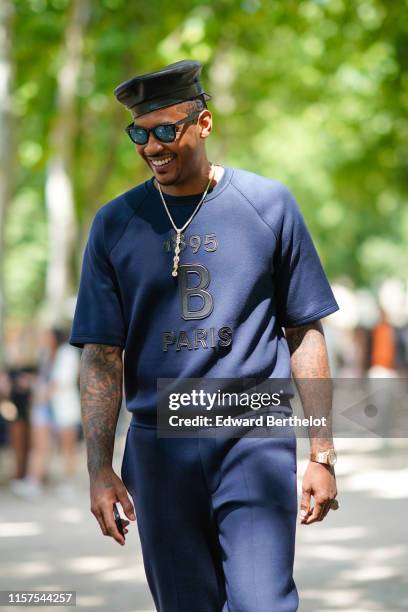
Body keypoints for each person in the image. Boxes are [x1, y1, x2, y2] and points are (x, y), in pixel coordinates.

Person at [70, 60, 340, 611]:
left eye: (167, 130)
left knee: (264, 603)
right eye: (139, 134)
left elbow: (303, 332)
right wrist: (99, 469)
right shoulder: (114, 224)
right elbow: (102, 355)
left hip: (253, 438)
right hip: (158, 449)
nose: (152, 146)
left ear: (205, 123)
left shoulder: (269, 206)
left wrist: (323, 452)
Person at [13, 328, 81, 499]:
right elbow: (44, 380)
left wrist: (41, 395)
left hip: (63, 406)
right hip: (44, 408)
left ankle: (68, 483)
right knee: (40, 447)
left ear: (54, 338)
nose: (42, 339)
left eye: (45, 336)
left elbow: (62, 381)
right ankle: (33, 482)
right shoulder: (45, 354)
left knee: (68, 448)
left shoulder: (67, 353)